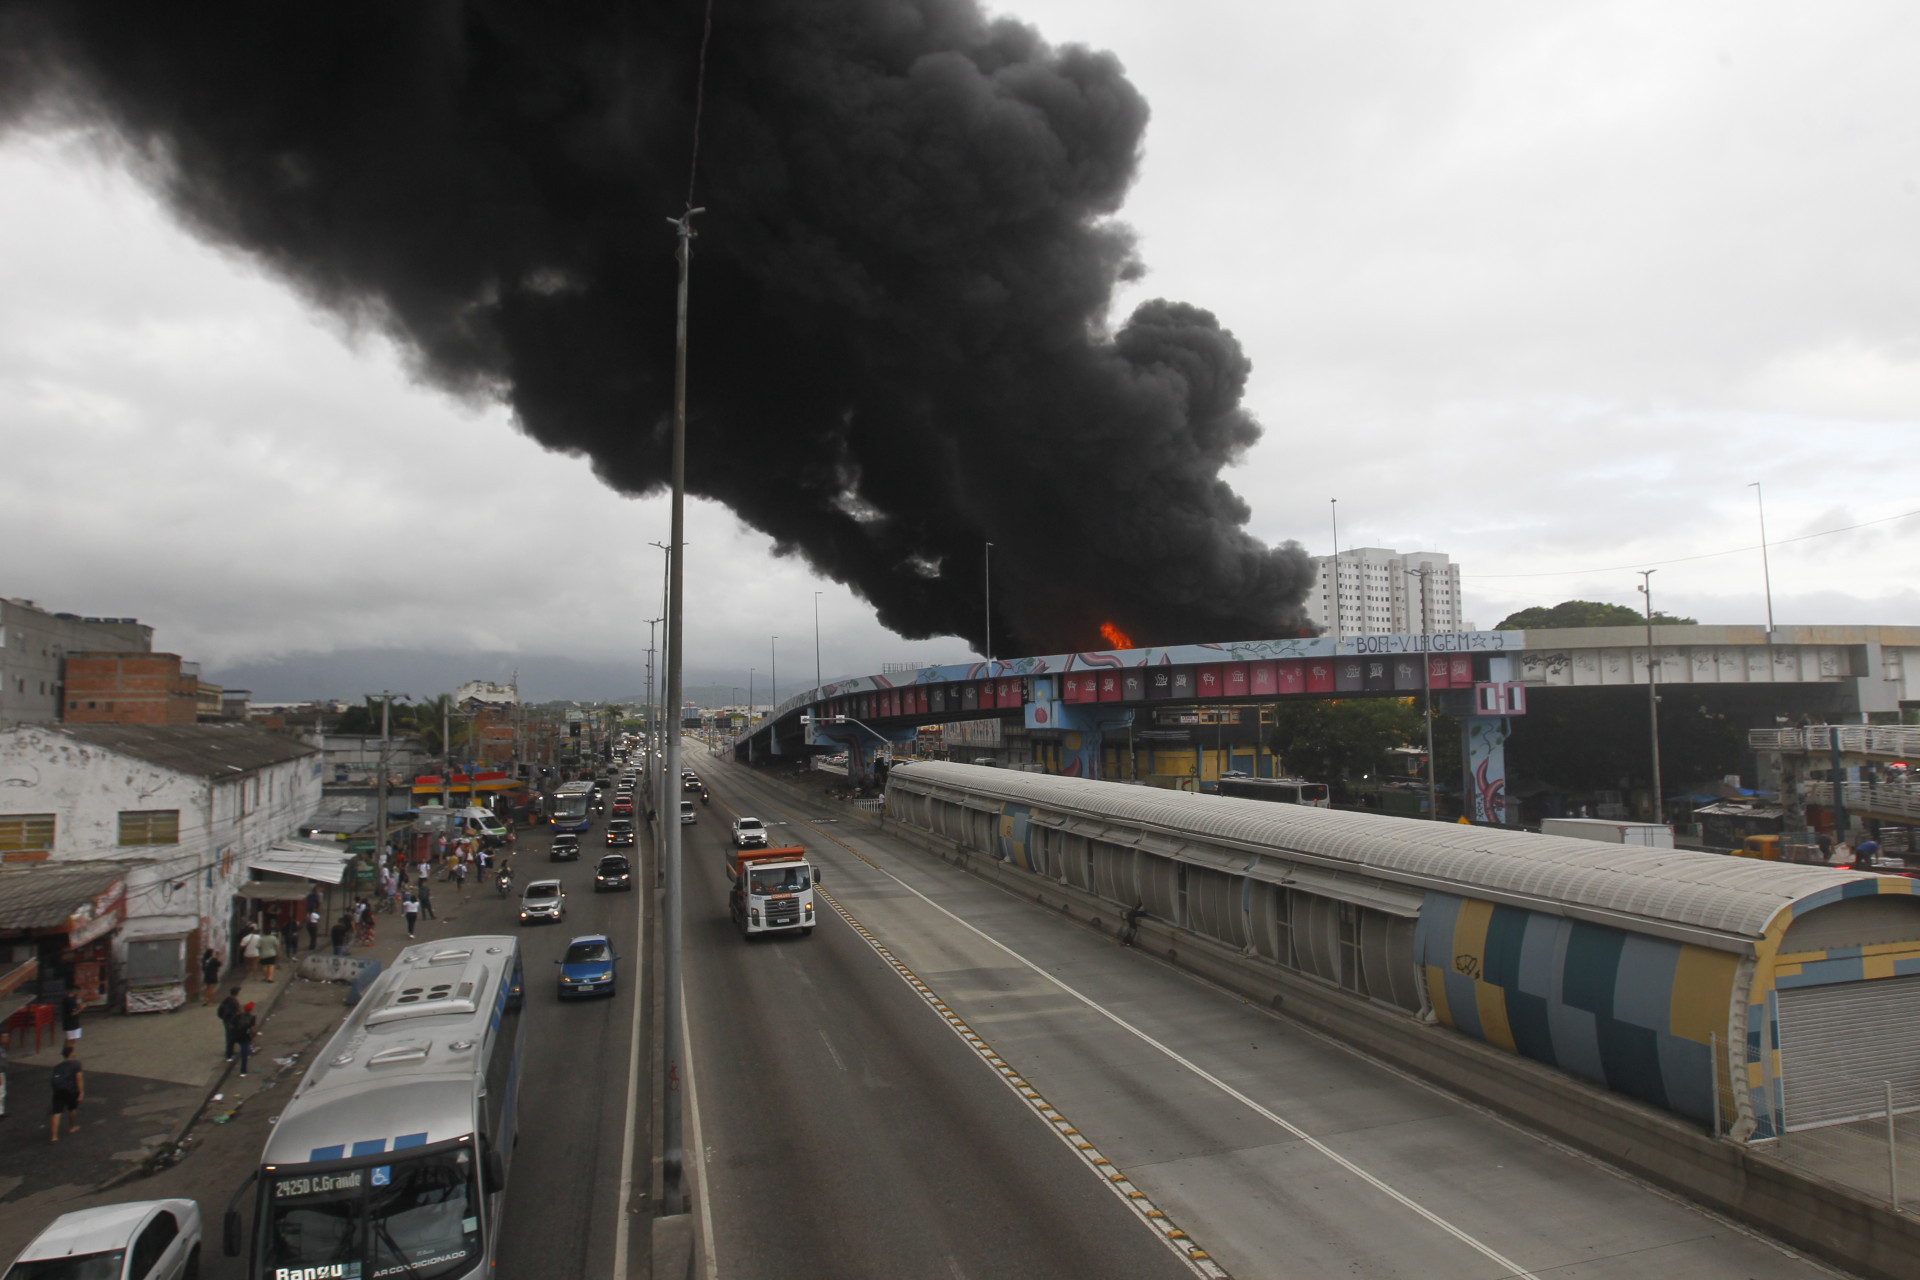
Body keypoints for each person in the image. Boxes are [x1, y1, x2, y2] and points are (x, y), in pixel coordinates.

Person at [48, 1045, 82, 1143]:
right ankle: (72, 1127)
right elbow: (79, 1079)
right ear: (71, 1053)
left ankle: (54, 1136)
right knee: (72, 1108)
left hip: (58, 1090)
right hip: (71, 1090)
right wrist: (81, 1092)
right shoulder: (76, 1064)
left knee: (56, 1112)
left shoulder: (57, 1067)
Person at [230, 1001, 258, 1077]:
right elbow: (252, 1030)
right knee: (244, 1055)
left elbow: (231, 1025)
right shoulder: (252, 1018)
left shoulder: (238, 1016)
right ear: (251, 1010)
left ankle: (229, 1054)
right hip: (245, 1038)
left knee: (231, 1042)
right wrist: (254, 1035)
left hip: (236, 1036)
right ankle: (243, 1071)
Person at [218, 986, 243, 1057]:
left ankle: (230, 1050)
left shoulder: (226, 999)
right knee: (232, 1036)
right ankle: (230, 1051)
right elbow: (239, 1011)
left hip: (226, 1020)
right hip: (232, 1021)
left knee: (228, 1035)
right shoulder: (234, 1002)